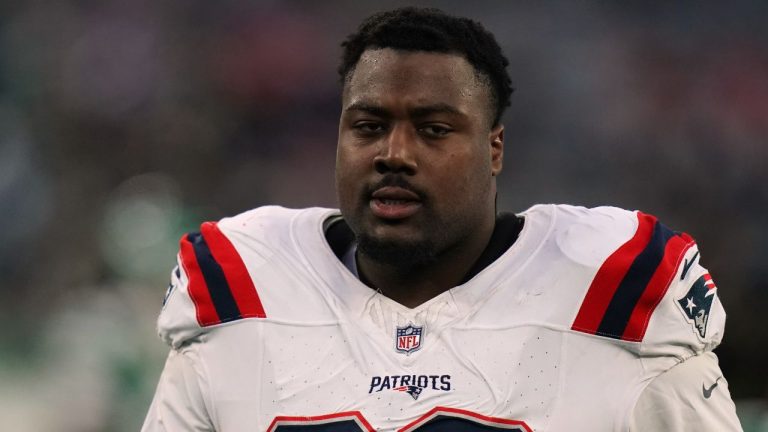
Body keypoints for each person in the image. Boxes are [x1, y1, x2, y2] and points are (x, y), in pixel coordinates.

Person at [141, 7, 742, 431]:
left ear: (494, 148)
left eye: (433, 129)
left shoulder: (613, 290)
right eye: (368, 126)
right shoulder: (241, 287)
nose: (394, 154)